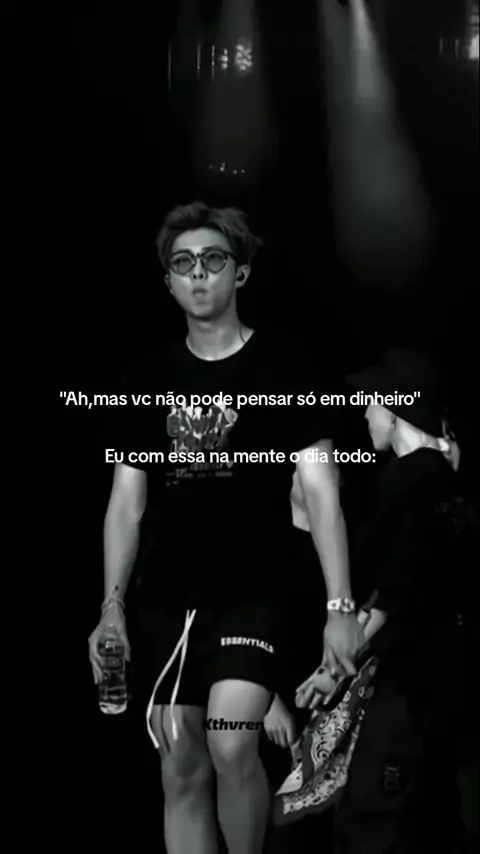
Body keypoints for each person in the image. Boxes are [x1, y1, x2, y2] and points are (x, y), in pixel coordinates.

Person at [88, 201, 364, 854]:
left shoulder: (286, 369)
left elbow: (321, 492)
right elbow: (125, 505)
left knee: (231, 738)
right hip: (167, 598)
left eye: (213, 259)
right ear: (167, 281)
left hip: (256, 590)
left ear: (239, 273)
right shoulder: (147, 380)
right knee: (179, 762)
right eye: (183, 263)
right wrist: (110, 607)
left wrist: (339, 606)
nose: (198, 273)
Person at [325, 347, 467, 854]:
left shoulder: (402, 482)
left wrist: (335, 665)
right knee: (435, 817)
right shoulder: (447, 482)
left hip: (405, 686)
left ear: (395, 407)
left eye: (372, 402)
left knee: (372, 820)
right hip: (446, 686)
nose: (366, 413)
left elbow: (391, 591)